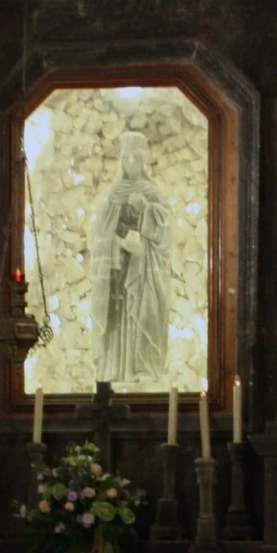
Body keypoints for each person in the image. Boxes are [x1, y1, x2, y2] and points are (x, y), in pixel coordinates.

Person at [86, 130, 171, 387]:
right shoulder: (112, 195)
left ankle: (141, 366)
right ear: (121, 161)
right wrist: (118, 243)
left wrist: (146, 211)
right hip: (117, 269)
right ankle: (113, 368)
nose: (132, 162)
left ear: (143, 160)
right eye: (127, 157)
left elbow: (167, 231)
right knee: (117, 314)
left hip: (143, 269)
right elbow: (99, 233)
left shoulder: (153, 192)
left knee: (142, 311)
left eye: (136, 156)